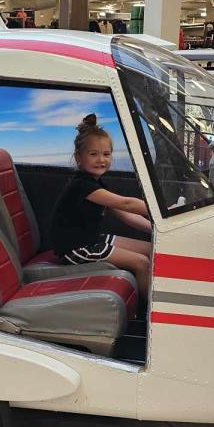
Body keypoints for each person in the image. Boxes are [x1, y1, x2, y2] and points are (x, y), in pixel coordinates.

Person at [49, 114, 152, 300]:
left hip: (91, 239)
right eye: (93, 154)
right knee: (142, 262)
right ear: (79, 157)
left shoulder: (96, 184)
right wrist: (161, 210)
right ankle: (146, 312)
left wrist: (155, 229)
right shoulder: (82, 186)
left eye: (106, 154)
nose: (101, 160)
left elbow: (126, 215)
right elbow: (126, 203)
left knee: (152, 249)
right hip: (75, 248)